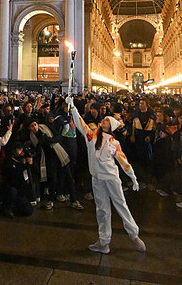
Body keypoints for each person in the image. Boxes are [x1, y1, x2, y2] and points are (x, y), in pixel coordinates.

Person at [69, 99, 145, 254]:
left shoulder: (114, 142)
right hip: (97, 179)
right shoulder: (92, 137)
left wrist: (133, 177)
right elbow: (80, 123)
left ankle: (134, 235)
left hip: (111, 178)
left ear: (110, 126)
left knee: (121, 206)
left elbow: (123, 161)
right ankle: (104, 242)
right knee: (102, 210)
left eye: (106, 121)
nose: (102, 121)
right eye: (103, 119)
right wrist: (72, 108)